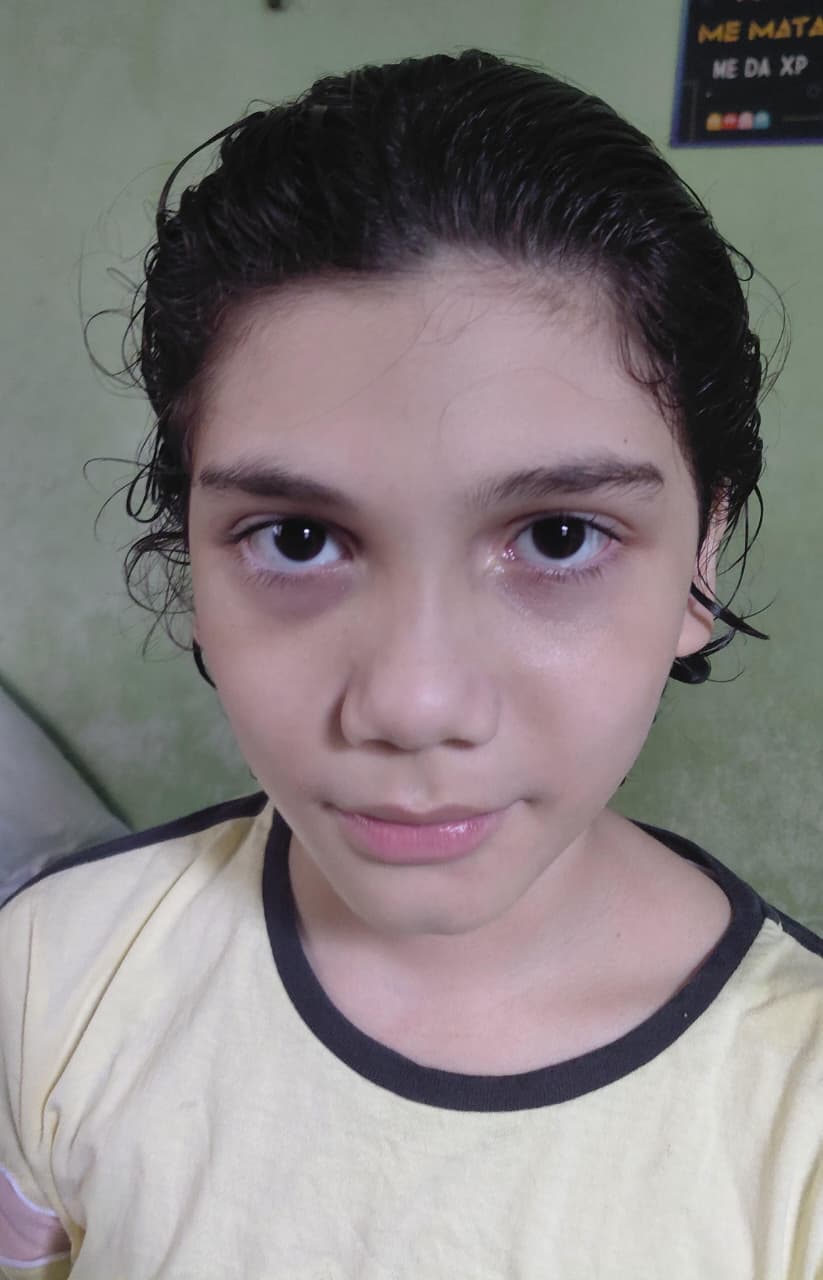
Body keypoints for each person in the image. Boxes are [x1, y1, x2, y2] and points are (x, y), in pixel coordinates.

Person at [0, 48, 820, 1280]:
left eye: (558, 536)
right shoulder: (50, 976)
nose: (412, 701)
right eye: (297, 538)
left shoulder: (795, 1117)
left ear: (701, 558)